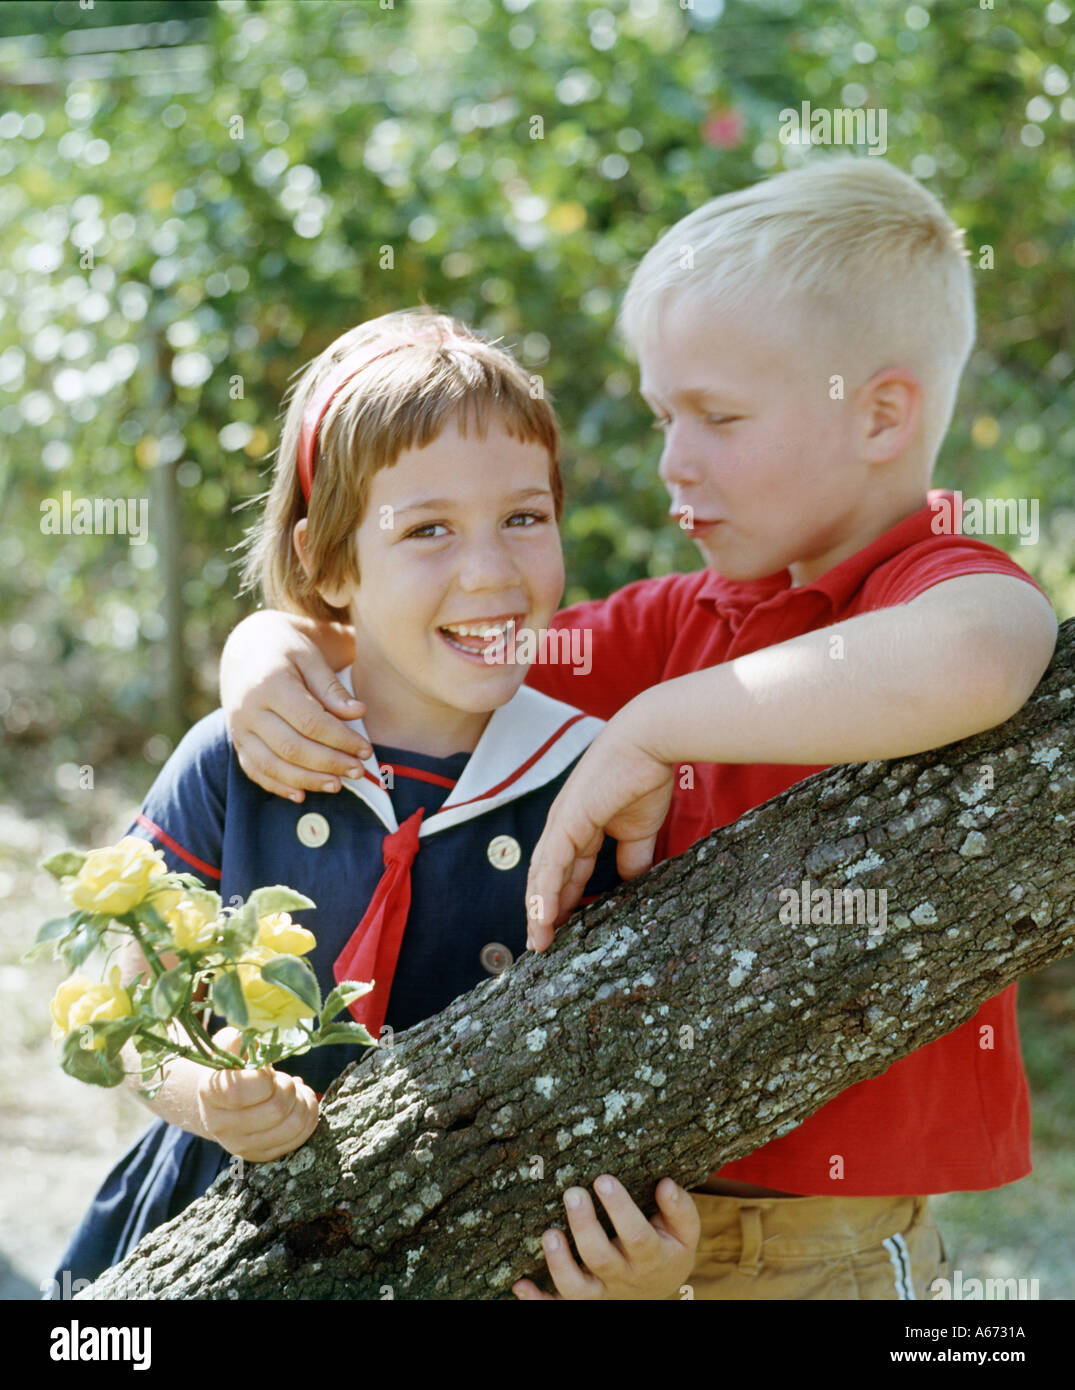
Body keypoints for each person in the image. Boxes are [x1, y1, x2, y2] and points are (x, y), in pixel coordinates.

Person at [218, 158, 1059, 1300]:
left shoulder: (928, 588)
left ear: (879, 413)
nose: (673, 460)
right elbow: (438, 648)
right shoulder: (673, 618)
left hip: (830, 1256)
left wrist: (656, 725)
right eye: (667, 415)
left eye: (717, 416)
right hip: (600, 1244)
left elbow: (981, 650)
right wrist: (266, 649)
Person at [50, 309, 700, 1301]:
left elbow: (637, 1075)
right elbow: (128, 1014)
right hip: (211, 1227)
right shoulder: (237, 759)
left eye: (523, 518)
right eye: (427, 528)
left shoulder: (588, 784)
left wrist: (655, 1269)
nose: (489, 570)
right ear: (329, 563)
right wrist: (207, 1096)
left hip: (469, 1256)